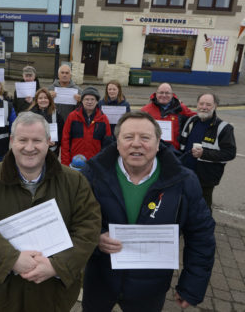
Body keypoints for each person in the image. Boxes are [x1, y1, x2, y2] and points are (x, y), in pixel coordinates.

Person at [0, 112, 101, 312]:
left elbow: (89, 228)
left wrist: (56, 266)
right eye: (22, 140)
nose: (29, 147)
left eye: (37, 140)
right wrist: (11, 259)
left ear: (49, 142)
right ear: (11, 141)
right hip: (3, 294)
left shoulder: (74, 182)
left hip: (55, 294)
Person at [81, 111, 215, 312]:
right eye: (128, 137)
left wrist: (191, 286)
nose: (136, 144)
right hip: (101, 280)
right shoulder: (92, 174)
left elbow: (201, 235)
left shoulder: (184, 181)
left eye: (145, 137)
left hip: (150, 287)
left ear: (158, 141)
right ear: (117, 142)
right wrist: (96, 237)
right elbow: (75, 219)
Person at [179, 93, 236, 210]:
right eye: (201, 103)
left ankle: (204, 228)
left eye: (208, 104)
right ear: (197, 104)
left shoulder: (224, 128)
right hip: (185, 173)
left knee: (202, 208)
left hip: (205, 178)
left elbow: (229, 153)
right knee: (183, 204)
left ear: (215, 106)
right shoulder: (191, 121)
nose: (204, 107)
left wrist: (203, 154)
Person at [61, 87, 111, 166]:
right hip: (75, 162)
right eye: (86, 99)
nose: (89, 102)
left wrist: (103, 163)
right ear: (82, 101)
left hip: (95, 163)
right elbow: (65, 140)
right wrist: (65, 163)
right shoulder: (72, 116)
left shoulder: (103, 119)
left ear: (97, 101)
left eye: (92, 99)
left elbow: (107, 144)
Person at [141, 82, 195, 150]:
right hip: (152, 149)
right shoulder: (145, 110)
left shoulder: (181, 108)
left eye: (167, 93)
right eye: (161, 92)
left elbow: (197, 117)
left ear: (172, 95)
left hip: (174, 151)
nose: (164, 95)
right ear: (156, 94)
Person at [28, 87, 64, 156]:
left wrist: (56, 142)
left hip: (52, 152)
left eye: (46, 98)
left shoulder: (56, 114)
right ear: (36, 100)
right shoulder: (30, 114)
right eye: (40, 98)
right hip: (34, 151)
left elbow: (61, 131)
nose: (43, 100)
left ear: (50, 100)